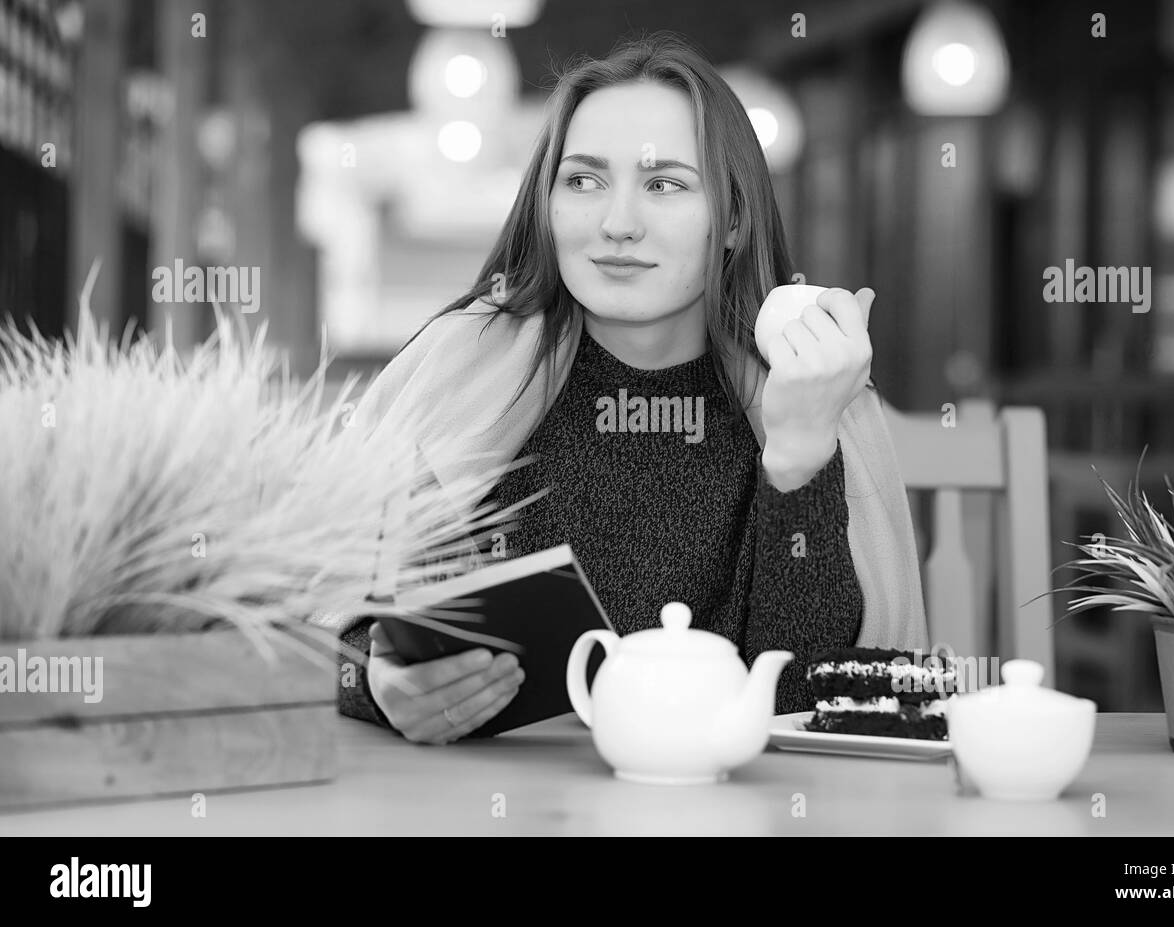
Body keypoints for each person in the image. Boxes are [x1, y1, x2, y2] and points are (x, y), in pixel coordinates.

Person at [338, 31, 907, 744]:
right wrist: (378, 684)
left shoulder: (811, 390)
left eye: (664, 184)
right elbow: (325, 637)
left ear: (733, 217)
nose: (617, 224)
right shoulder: (458, 371)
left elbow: (806, 702)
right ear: (546, 203)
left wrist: (798, 455)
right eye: (583, 180)